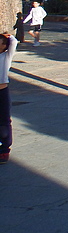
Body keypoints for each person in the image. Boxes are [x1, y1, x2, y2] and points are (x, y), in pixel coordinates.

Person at [0, 32, 18, 163]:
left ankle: (5, 149)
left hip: (2, 91)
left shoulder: (6, 56)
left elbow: (14, 42)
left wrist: (8, 35)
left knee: (5, 120)